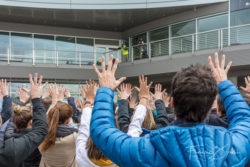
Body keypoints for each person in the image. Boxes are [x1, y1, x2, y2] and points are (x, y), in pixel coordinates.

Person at [90, 54, 250, 166]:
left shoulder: (147, 150)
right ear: (210, 108)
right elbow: (244, 119)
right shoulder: (232, 148)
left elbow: (102, 131)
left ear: (172, 103)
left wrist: (105, 89)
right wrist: (224, 83)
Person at [0, 73, 49, 167]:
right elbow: (41, 129)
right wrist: (36, 98)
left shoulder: (8, 136)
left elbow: (11, 120)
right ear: (31, 122)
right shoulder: (11, 147)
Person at [76, 80, 117, 167]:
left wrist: (88, 100)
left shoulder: (81, 155)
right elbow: (135, 127)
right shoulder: (123, 158)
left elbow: (84, 127)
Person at [39, 84, 78, 167]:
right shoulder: (75, 138)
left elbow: (46, 120)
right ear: (68, 121)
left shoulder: (41, 136)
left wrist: (54, 102)